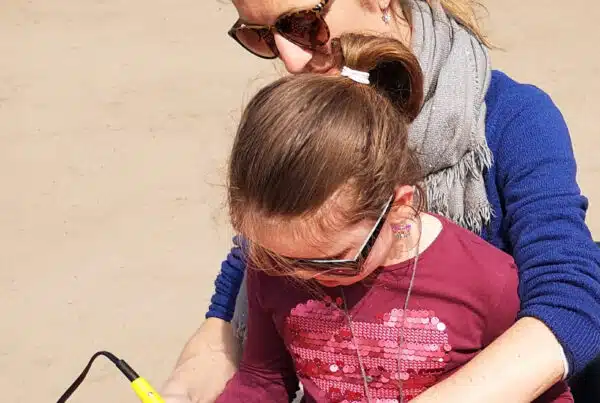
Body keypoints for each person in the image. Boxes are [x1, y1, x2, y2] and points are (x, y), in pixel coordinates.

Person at [161, 0, 600, 402]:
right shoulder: (297, 133)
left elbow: (571, 301)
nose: (290, 60)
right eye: (260, 36)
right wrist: (191, 375)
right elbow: (257, 274)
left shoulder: (513, 119)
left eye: (303, 24)